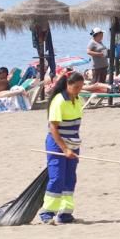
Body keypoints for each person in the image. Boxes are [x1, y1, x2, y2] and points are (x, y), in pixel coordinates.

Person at [39, 71, 85, 225]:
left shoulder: (78, 99)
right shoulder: (58, 101)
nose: (79, 90)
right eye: (76, 87)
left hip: (73, 144)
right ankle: (47, 213)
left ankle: (65, 214)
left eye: (81, 87)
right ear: (68, 85)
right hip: (57, 144)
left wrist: (73, 147)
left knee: (70, 178)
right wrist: (64, 149)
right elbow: (53, 128)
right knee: (57, 177)